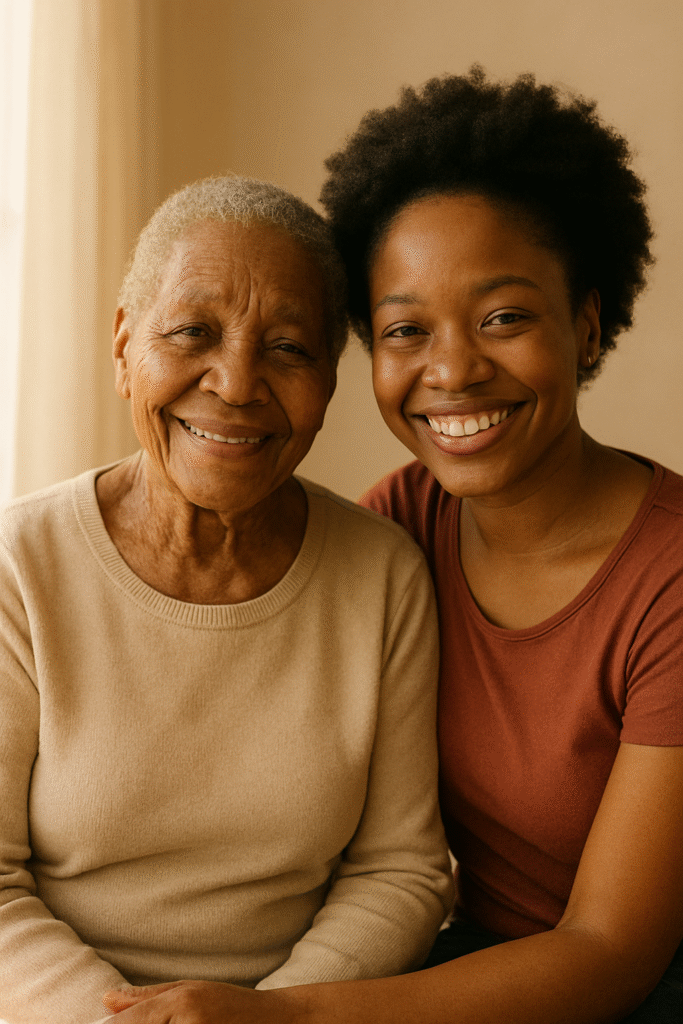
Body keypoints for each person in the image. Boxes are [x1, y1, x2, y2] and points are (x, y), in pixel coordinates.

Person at [104, 70, 683, 1023]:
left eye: (504, 317)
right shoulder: (402, 525)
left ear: (585, 323)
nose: (451, 370)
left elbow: (610, 950)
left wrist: (286, 1016)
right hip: (462, 964)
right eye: (406, 329)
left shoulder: (664, 579)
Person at [0, 175, 454, 1024]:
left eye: (288, 348)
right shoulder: (19, 568)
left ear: (328, 378)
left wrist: (268, 1019)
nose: (238, 383)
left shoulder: (383, 574)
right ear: (124, 345)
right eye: (192, 333)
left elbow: (399, 869)